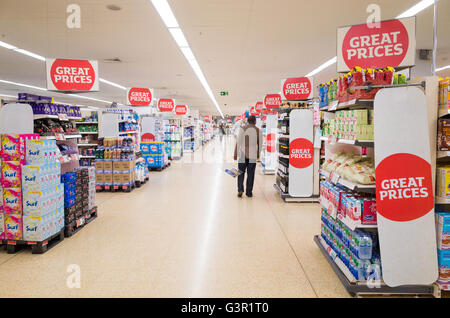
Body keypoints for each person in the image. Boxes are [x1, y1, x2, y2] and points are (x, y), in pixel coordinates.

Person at [233, 116, 262, 198]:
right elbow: (259, 144)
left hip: (242, 153)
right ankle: (249, 192)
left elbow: (238, 142)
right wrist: (258, 154)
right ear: (255, 121)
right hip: (252, 155)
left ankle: (240, 190)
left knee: (240, 173)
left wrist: (235, 154)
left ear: (248, 121)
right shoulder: (258, 130)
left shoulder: (243, 128)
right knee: (251, 174)